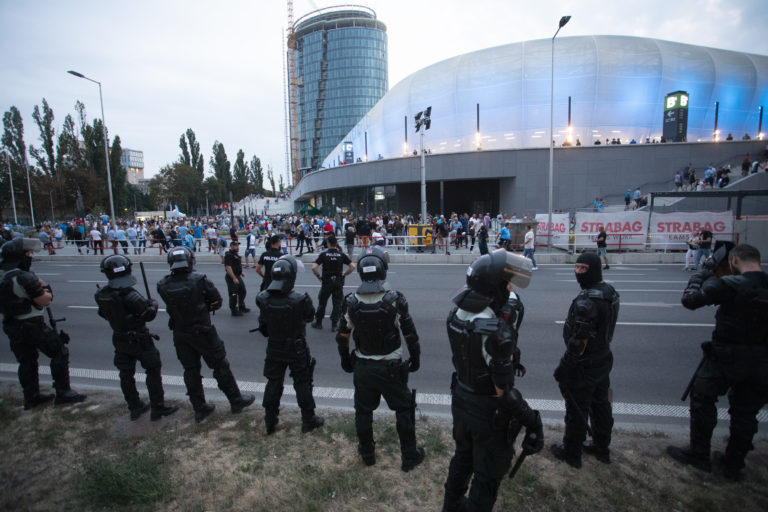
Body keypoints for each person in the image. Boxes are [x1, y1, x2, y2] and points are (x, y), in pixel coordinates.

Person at [442, 250, 543, 511]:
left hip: (461, 398)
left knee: (462, 458)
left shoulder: (458, 313)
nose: (510, 288)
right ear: (495, 286)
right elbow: (504, 391)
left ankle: (450, 506)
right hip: (486, 411)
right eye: (507, 283)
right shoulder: (494, 331)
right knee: (486, 476)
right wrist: (532, 421)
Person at [667, 244, 767, 480]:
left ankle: (699, 454)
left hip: (726, 356)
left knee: (702, 398)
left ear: (733, 261)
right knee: (746, 412)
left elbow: (690, 300)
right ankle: (734, 466)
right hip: (762, 361)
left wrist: (703, 272)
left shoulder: (732, 284)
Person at [335, 246, 425, 471]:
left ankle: (367, 453)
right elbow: (410, 335)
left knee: (363, 411)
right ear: (383, 271)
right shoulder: (395, 300)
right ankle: (409, 456)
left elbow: (342, 336)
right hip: (391, 367)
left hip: (364, 366)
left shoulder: (350, 302)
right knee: (404, 409)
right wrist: (415, 358)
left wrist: (346, 360)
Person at [156, 246, 255, 422]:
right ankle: (235, 400)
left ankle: (200, 408)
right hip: (202, 330)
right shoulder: (200, 280)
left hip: (180, 332)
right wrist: (202, 308)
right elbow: (216, 301)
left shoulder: (163, 284)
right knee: (220, 366)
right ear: (189, 261)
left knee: (191, 371)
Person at [551, 252, 619, 468]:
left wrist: (565, 365)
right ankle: (601, 447)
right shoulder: (610, 292)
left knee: (577, 409)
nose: (578, 272)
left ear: (594, 269)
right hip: (603, 357)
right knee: (601, 404)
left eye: (583, 268)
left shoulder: (587, 300)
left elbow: (580, 340)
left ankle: (572, 453)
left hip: (585, 363)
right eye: (577, 267)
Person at [0, 238, 86, 409]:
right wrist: (44, 285)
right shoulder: (23, 277)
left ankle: (31, 397)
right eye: (28, 253)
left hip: (11, 324)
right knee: (59, 352)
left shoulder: (3, 276)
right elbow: (45, 300)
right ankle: (63, 392)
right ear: (20, 256)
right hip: (32, 324)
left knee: (26, 361)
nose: (30, 256)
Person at [94, 255, 178, 421]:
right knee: (152, 371)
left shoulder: (101, 294)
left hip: (119, 338)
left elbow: (103, 314)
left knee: (125, 375)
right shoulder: (128, 294)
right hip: (139, 339)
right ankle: (158, 407)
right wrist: (153, 304)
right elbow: (148, 314)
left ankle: (134, 406)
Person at [255, 255, 324, 434]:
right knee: (302, 382)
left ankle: (270, 420)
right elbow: (310, 317)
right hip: (296, 347)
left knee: (273, 382)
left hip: (274, 346)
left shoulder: (263, 298)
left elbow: (263, 326)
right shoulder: (300, 299)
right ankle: (308, 419)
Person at [310, 235, 355, 331]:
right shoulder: (341, 254)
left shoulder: (324, 254)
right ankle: (334, 325)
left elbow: (314, 267)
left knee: (322, 303)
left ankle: (319, 323)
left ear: (328, 244)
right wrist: (344, 274)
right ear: (336, 244)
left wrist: (319, 276)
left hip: (327, 281)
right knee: (337, 303)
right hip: (338, 281)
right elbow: (352, 266)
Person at [224, 240, 249, 317]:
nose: (237, 247)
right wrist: (234, 278)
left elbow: (237, 264)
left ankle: (241, 306)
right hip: (231, 276)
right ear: (231, 246)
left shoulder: (235, 254)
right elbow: (228, 267)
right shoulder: (229, 255)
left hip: (237, 275)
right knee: (233, 294)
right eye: (235, 246)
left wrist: (241, 272)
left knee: (242, 291)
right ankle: (234, 310)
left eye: (238, 245)